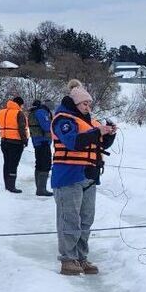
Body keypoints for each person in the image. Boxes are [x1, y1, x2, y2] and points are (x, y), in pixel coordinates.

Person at [51, 79, 117, 276]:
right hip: (68, 176)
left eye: (89, 103)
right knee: (70, 219)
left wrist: (109, 134)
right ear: (75, 103)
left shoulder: (90, 121)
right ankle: (68, 259)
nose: (88, 107)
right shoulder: (63, 120)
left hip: (89, 176)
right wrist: (97, 131)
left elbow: (99, 145)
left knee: (86, 220)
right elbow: (74, 143)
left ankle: (81, 257)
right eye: (84, 103)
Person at [0, 95, 28, 193]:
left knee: (7, 163)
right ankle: (11, 187)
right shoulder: (19, 113)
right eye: (22, 105)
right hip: (16, 143)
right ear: (19, 104)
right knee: (13, 164)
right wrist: (25, 140)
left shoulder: (1, 112)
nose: (22, 107)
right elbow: (22, 129)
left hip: (4, 142)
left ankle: (7, 185)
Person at [27, 98, 54, 197]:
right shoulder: (42, 112)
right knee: (45, 164)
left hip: (37, 141)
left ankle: (39, 188)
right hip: (43, 141)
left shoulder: (32, 112)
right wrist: (53, 124)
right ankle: (41, 189)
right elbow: (46, 126)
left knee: (39, 164)